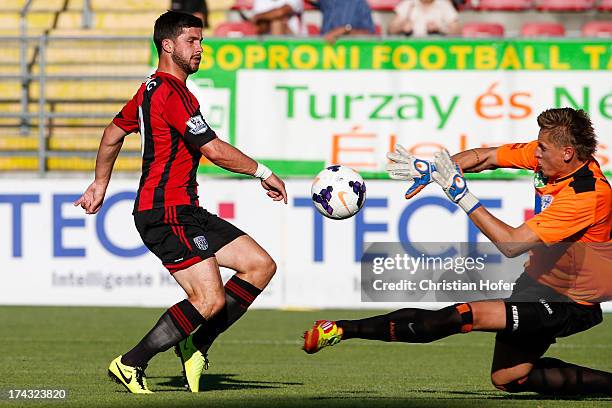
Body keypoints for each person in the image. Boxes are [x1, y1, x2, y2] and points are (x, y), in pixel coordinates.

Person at [303, 108, 612, 395]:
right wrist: (435, 170)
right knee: (509, 379)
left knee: (463, 315)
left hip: (572, 300)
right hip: (538, 282)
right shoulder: (549, 155)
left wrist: (462, 196)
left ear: (568, 153)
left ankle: (341, 329)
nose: (536, 150)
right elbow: (484, 157)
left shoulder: (587, 195)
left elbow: (512, 244)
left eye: (543, 147)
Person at [75, 11, 287, 394]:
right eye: (192, 41)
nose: (200, 49)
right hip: (165, 212)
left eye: (201, 41)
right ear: (167, 45)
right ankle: (130, 363)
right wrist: (263, 172)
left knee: (259, 266)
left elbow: (112, 133)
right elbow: (214, 151)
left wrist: (99, 183)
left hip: (185, 209)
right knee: (208, 299)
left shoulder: (150, 90)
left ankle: (197, 342)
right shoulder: (170, 93)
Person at [310, 0, 376, 44]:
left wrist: (345, 30)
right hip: (324, 50)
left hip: (349, 54)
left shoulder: (359, 3)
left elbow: (369, 33)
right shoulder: (327, 1)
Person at [388, 0, 460, 37]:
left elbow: (458, 32)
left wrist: (440, 29)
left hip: (438, 47)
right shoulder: (409, 3)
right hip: (411, 47)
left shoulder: (443, 3)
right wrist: (402, 28)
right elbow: (391, 30)